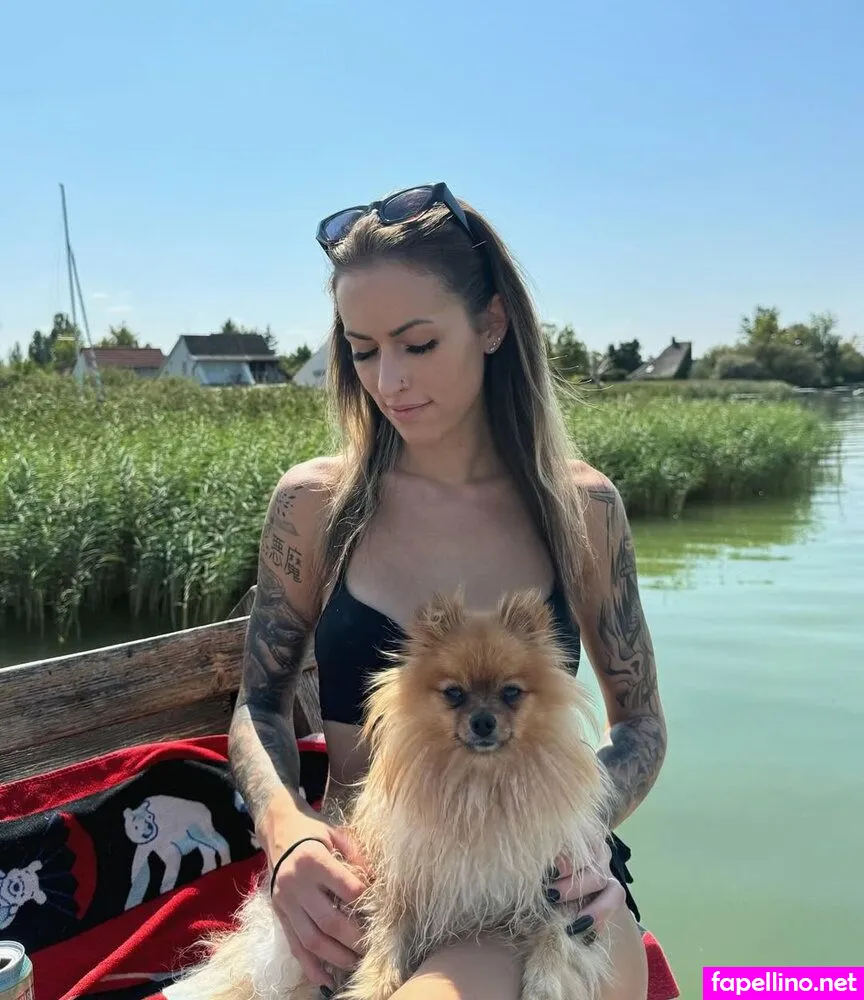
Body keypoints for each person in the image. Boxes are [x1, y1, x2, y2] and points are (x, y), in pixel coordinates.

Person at [228, 183, 668, 999]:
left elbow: (639, 720)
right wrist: (288, 832)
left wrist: (578, 826)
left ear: (492, 325)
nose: (389, 379)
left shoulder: (581, 509)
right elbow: (260, 704)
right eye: (363, 350)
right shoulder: (316, 504)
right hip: (371, 885)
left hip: (540, 892)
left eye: (418, 343)